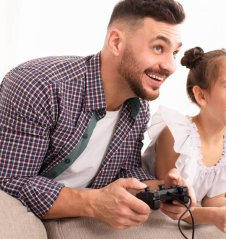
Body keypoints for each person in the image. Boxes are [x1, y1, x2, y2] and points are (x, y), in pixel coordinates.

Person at [0, 0, 196, 231]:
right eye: (158, 48)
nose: (171, 66)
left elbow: (125, 170)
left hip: (74, 217)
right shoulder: (39, 85)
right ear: (116, 42)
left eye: (174, 52)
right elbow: (10, 181)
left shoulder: (138, 106)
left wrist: (161, 190)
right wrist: (93, 203)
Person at [143, 47, 226, 234]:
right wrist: (214, 216)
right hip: (156, 222)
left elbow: (212, 199)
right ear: (201, 96)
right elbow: (172, 207)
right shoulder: (177, 136)